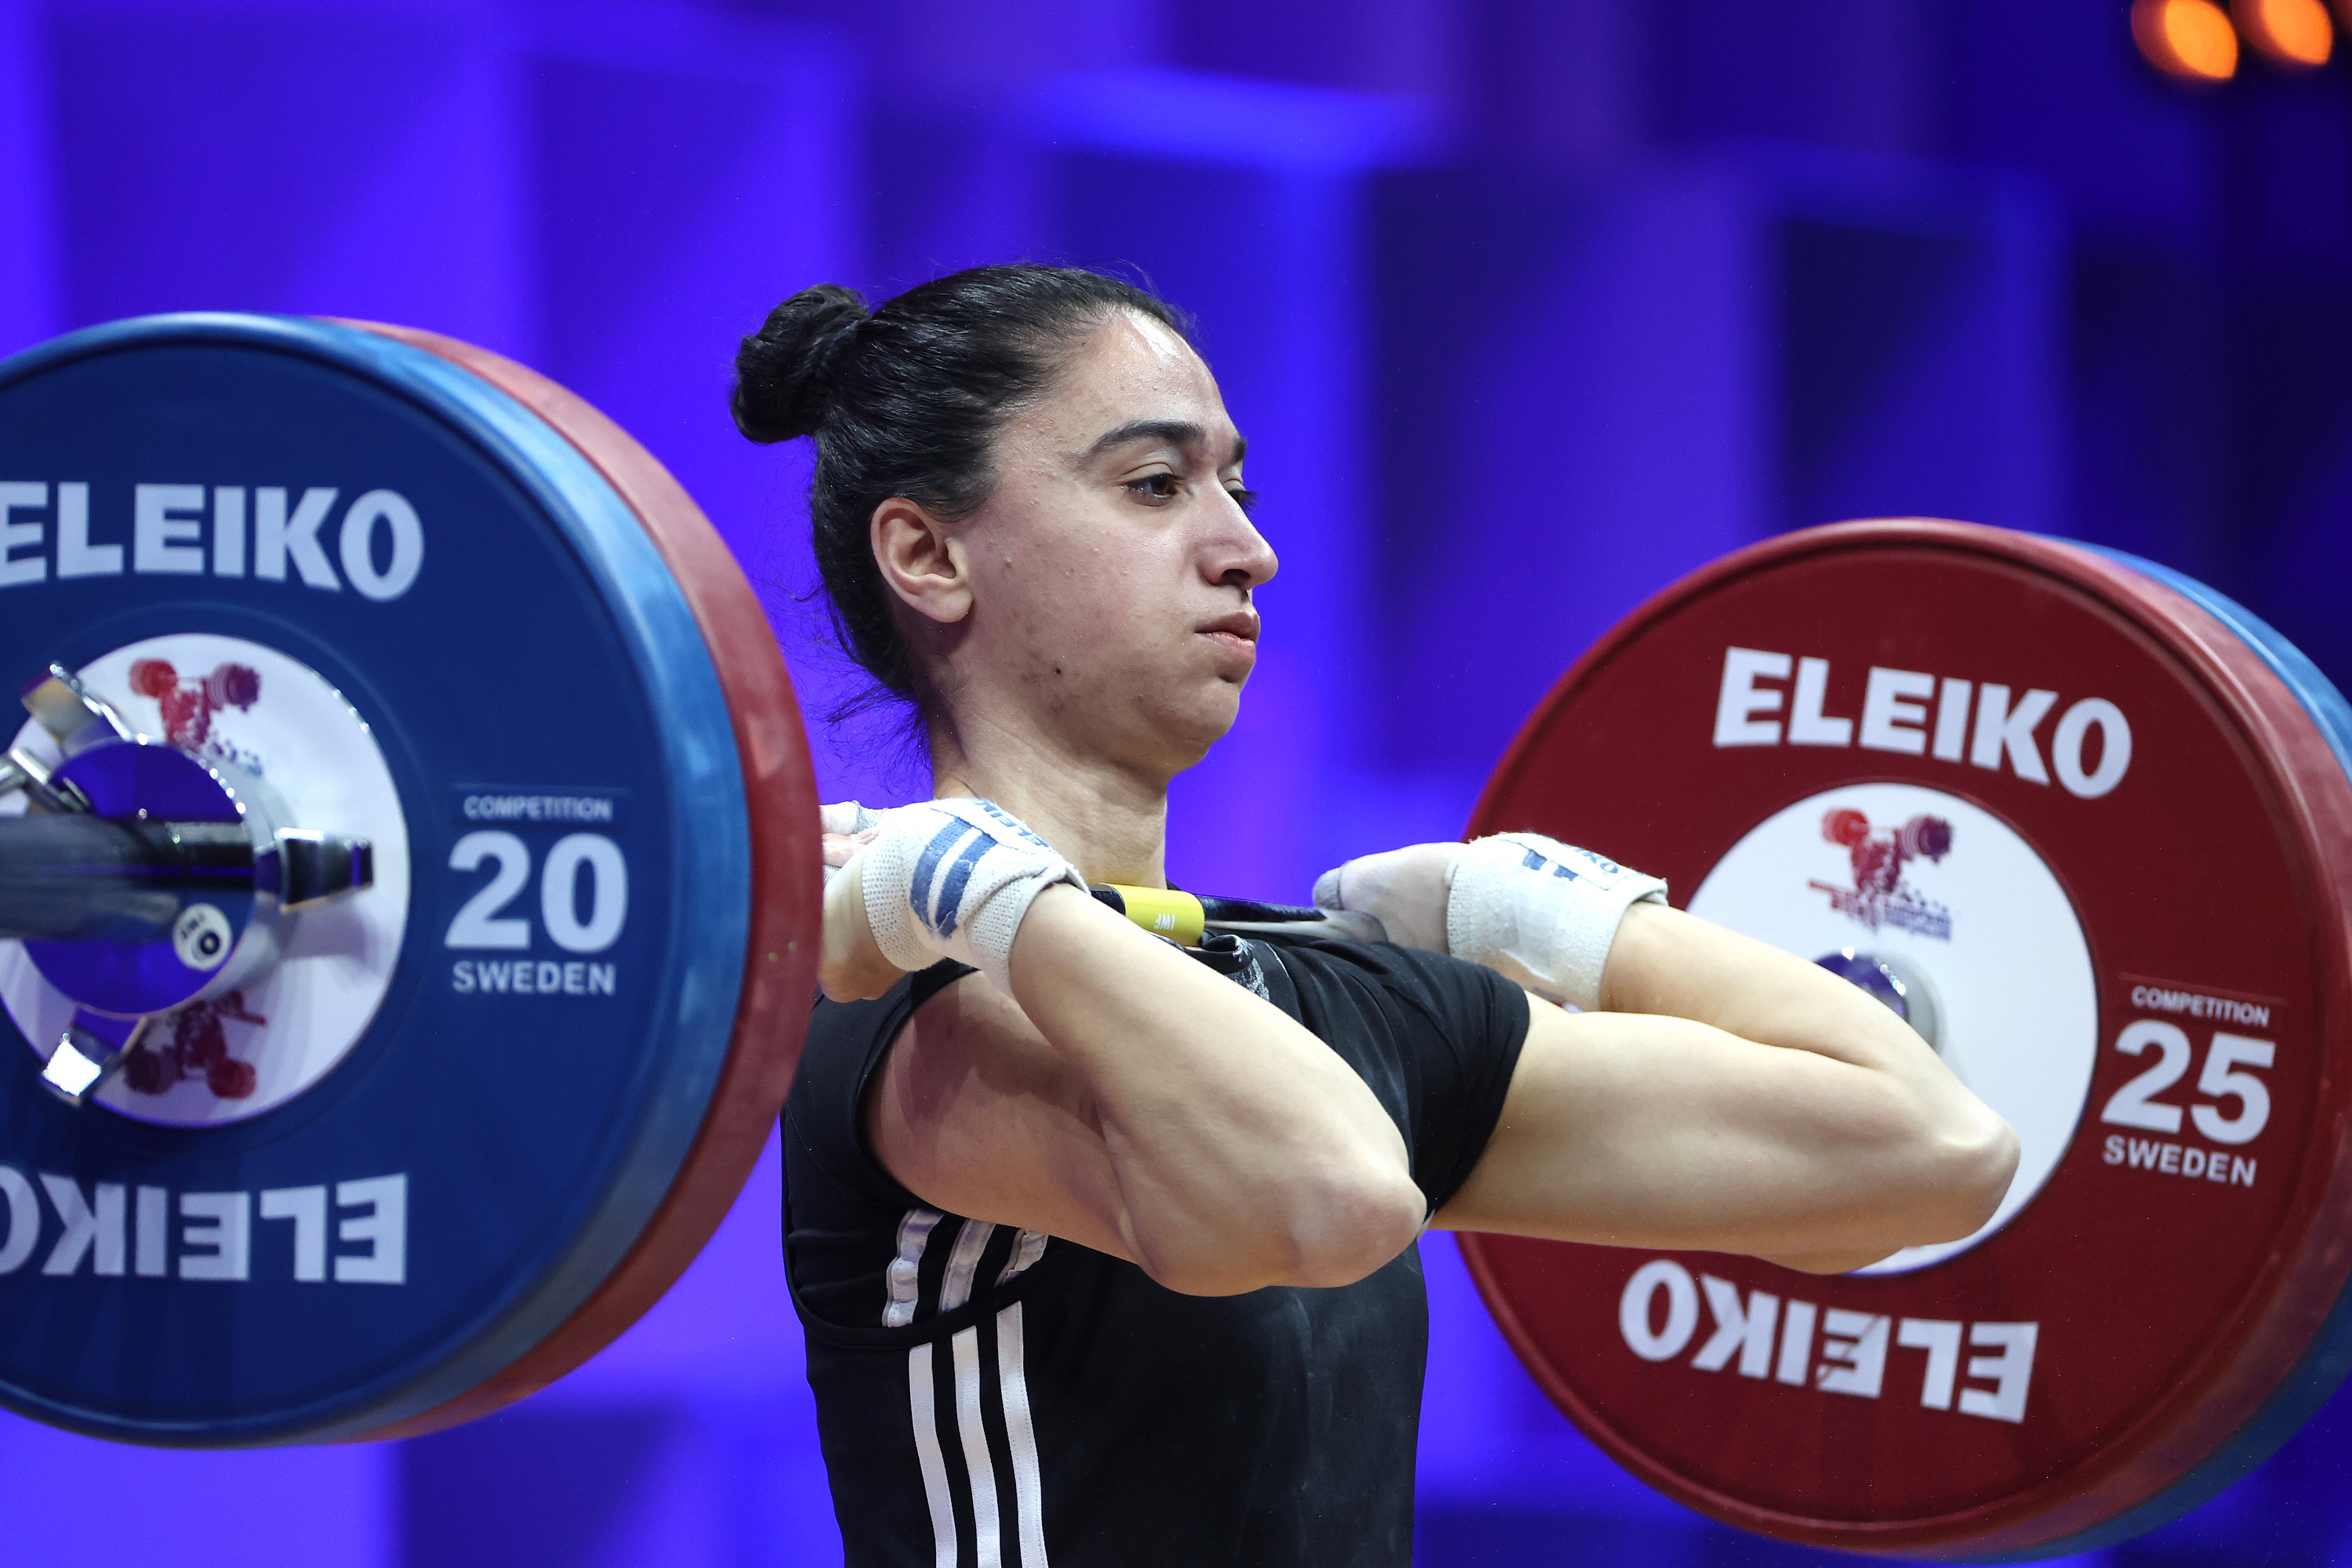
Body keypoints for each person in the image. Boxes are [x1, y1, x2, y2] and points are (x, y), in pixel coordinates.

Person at [732, 264, 2017, 1568]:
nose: (1247, 549)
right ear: (929, 555)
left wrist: (1549, 911)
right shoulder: (919, 1015)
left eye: (1237, 489)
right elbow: (1331, 1196)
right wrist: (999, 898)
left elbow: (1929, 1151)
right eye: (1155, 485)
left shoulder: (1311, 996)